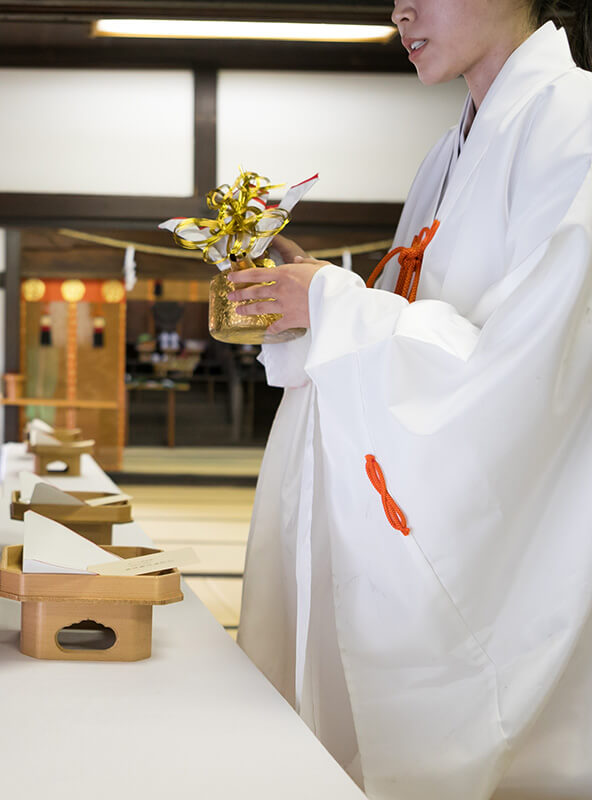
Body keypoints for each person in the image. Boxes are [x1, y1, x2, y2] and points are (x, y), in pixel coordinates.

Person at [229, 2, 592, 798]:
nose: (400, 10)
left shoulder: (577, 124)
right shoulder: (448, 153)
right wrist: (310, 299)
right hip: (425, 501)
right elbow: (411, 319)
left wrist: (330, 305)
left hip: (512, 528)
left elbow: (531, 377)